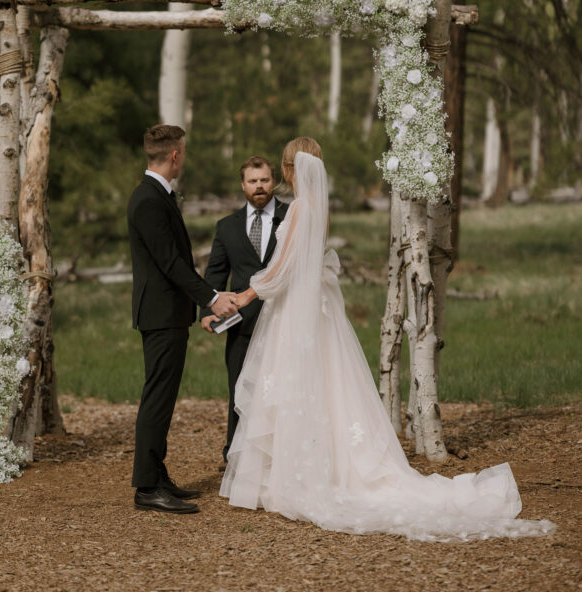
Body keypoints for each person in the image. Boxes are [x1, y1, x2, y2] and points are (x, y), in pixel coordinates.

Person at [220, 137, 554, 541]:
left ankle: (299, 476)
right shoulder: (318, 209)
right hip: (315, 313)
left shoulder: (300, 210)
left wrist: (245, 294)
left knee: (299, 387)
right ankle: (313, 468)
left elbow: (281, 270)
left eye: (283, 166)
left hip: (296, 314)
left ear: (290, 169)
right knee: (326, 389)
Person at [128, 124, 238, 515]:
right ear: (175, 156)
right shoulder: (148, 200)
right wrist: (210, 298)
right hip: (160, 314)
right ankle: (145, 487)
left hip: (168, 313)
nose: (183, 158)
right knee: (158, 397)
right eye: (183, 152)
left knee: (164, 395)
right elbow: (170, 263)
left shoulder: (157, 195)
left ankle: (157, 475)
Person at [200, 155, 289, 463]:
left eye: (264, 180)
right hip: (242, 324)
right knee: (241, 389)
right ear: (243, 185)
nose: (259, 186)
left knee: (284, 390)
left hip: (284, 318)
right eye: (253, 181)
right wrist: (207, 310)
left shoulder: (292, 217)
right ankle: (236, 455)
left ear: (273, 180)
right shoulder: (226, 227)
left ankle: (281, 456)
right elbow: (215, 273)